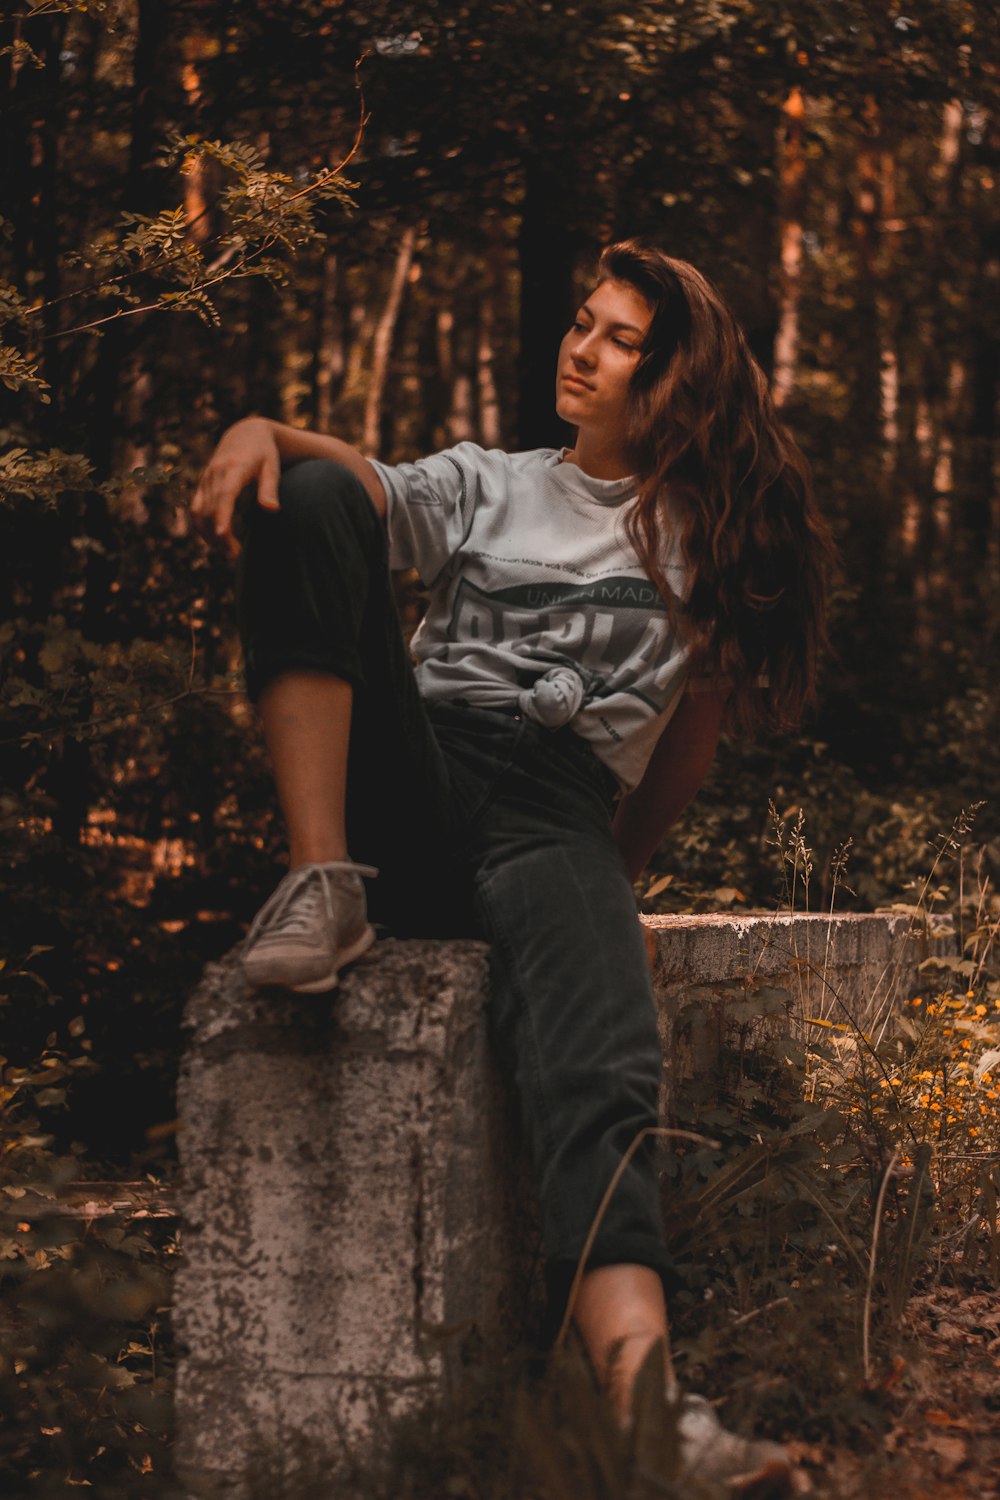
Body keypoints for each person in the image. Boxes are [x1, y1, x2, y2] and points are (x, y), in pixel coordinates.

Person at [191, 239, 834, 1494]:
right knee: (312, 500)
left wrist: (603, 884)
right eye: (579, 322)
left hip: (557, 816)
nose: (578, 348)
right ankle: (323, 884)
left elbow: (682, 752)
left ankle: (646, 1416)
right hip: (416, 778)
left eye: (615, 337)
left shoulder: (704, 539)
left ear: (678, 380)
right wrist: (260, 423)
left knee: (603, 1057)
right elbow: (358, 490)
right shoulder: (489, 483)